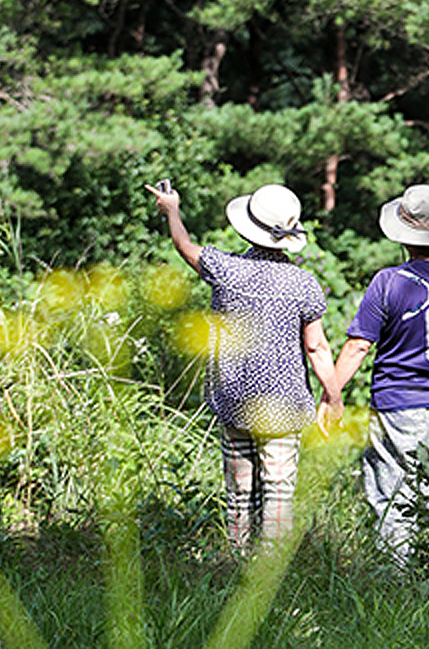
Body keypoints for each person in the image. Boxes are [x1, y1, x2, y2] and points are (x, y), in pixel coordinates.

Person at [145, 179, 342, 552]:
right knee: (279, 494)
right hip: (283, 406)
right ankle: (267, 576)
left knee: (240, 492)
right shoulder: (304, 284)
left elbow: (185, 247)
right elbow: (316, 348)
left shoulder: (226, 270)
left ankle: (236, 562)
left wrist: (173, 211)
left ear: (249, 229)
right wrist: (332, 398)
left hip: (235, 399)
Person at [333, 183, 429, 562]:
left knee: (393, 498)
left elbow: (357, 346)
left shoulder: (386, 283)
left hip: (396, 408)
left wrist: (331, 395)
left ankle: (395, 582)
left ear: (404, 236)